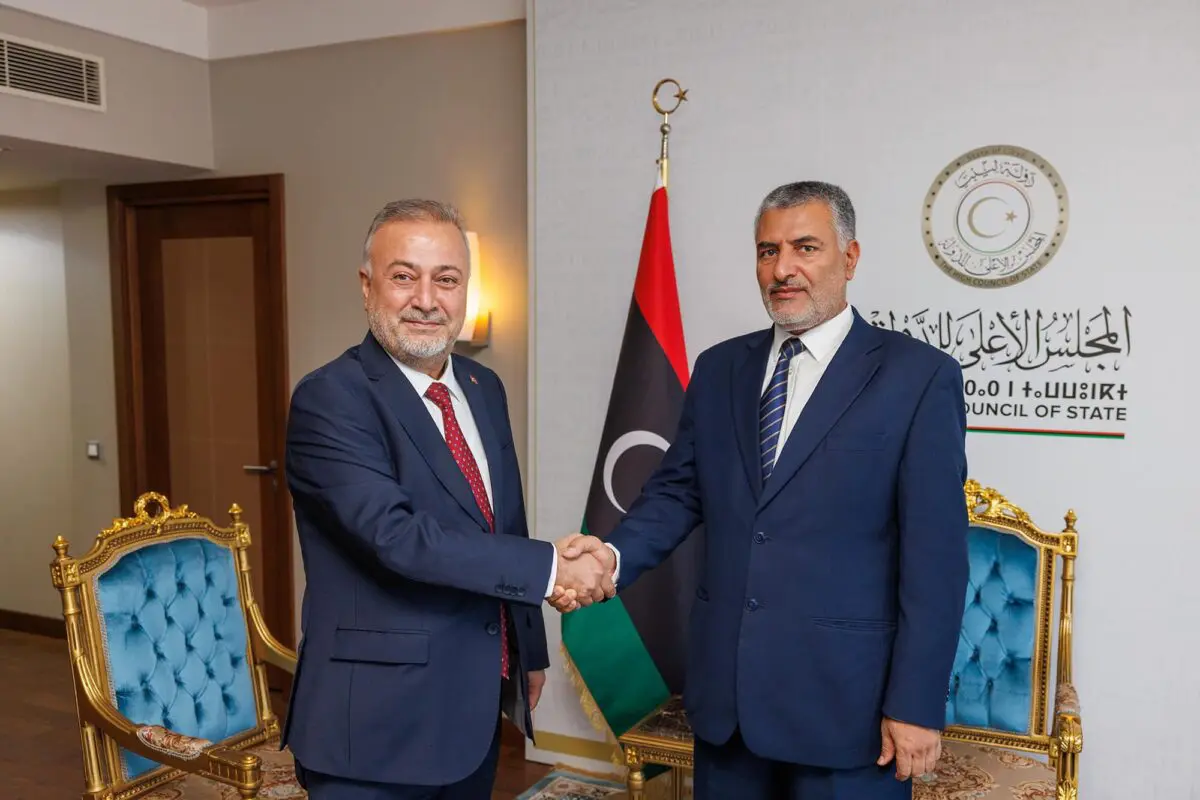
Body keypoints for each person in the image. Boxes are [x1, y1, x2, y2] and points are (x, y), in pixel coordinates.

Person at [551, 181, 970, 799]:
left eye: (805, 248)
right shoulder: (720, 367)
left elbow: (937, 561)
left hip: (849, 710)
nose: (782, 269)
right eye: (767, 251)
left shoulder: (919, 377)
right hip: (728, 704)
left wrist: (915, 703)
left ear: (850, 258)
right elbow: (678, 492)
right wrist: (609, 557)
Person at [282, 199, 612, 800]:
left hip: (472, 707)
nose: (427, 299)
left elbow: (505, 523)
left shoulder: (483, 388)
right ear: (367, 286)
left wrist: (528, 649)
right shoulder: (331, 398)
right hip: (373, 727)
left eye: (447, 279)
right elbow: (397, 538)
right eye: (404, 276)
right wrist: (552, 569)